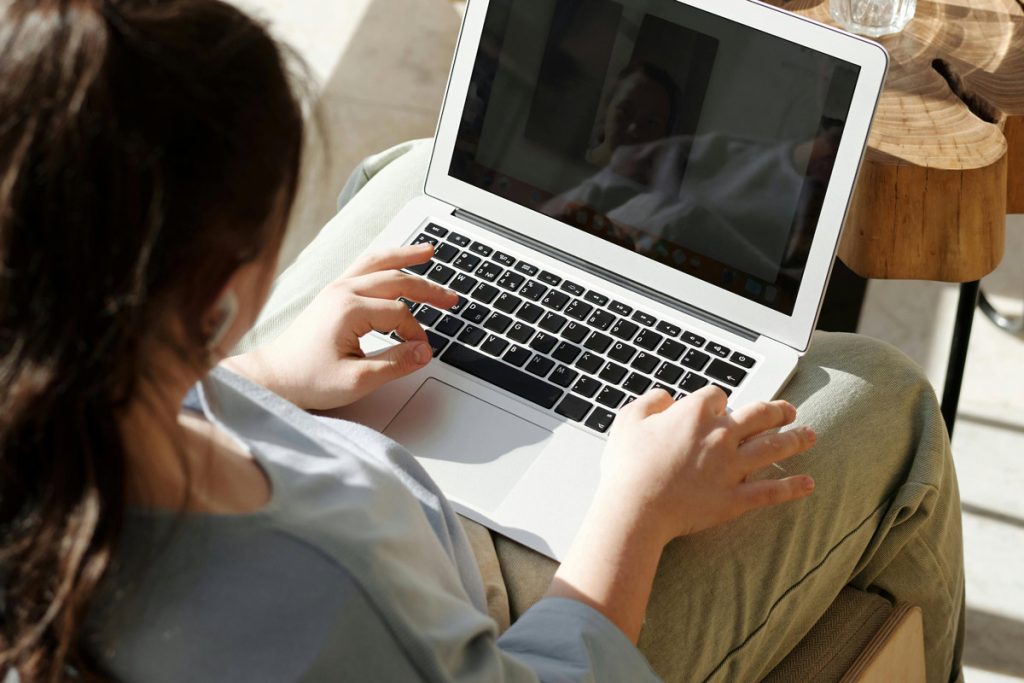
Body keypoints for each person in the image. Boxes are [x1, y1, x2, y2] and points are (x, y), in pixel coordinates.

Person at [0, 1, 964, 682]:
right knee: (888, 396)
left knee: (415, 170)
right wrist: (635, 511)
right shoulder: (327, 593)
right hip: (502, 610)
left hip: (323, 452)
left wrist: (250, 379)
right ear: (220, 287)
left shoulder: (59, 414)